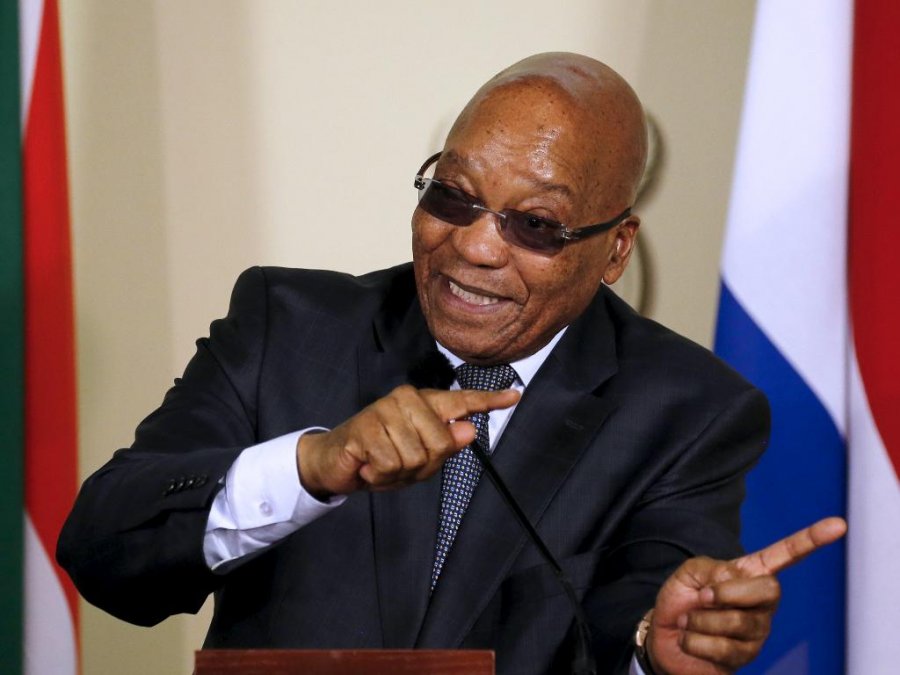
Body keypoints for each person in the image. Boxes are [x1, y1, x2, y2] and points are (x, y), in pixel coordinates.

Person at [58, 52, 845, 674]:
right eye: (453, 195)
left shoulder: (690, 408)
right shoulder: (284, 326)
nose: (471, 245)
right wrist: (309, 466)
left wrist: (650, 643)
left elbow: (633, 609)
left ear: (615, 249)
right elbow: (103, 548)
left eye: (534, 224)